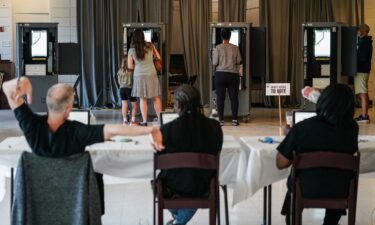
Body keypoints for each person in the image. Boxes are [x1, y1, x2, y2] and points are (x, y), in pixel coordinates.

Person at [2, 77, 164, 215]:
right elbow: (116, 130)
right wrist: (151, 129)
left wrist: (22, 81)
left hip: (40, 201)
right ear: (68, 108)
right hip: (75, 204)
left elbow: (5, 87)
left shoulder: (31, 127)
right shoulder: (79, 133)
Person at [276, 84, 358, 225]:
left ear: (322, 102)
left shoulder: (303, 128)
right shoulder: (352, 129)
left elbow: (281, 163)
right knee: (336, 177)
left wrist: (290, 137)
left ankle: (292, 219)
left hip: (307, 188)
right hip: (340, 190)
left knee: (294, 181)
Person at [158, 84, 223, 225]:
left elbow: (159, 157)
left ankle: (178, 221)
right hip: (203, 186)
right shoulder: (214, 127)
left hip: (173, 187)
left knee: (160, 182)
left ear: (179, 105)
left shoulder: (166, 130)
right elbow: (217, 149)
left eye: (174, 104)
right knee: (195, 180)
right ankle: (179, 221)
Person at [128, 29, 162, 126]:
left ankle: (145, 121)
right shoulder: (150, 46)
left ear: (133, 38)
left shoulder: (131, 50)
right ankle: (160, 120)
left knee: (143, 99)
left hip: (139, 76)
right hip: (151, 74)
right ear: (143, 37)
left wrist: (139, 66)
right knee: (156, 98)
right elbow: (158, 57)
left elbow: (130, 66)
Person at [212, 28, 242, 126]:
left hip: (220, 75)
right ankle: (234, 120)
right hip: (233, 75)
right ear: (230, 36)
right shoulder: (235, 48)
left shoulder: (217, 48)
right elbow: (238, 61)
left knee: (220, 98)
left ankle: (220, 120)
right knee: (234, 98)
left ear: (221, 36)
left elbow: (214, 62)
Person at [355, 24, 373, 123]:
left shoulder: (365, 42)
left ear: (364, 31)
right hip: (363, 70)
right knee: (363, 92)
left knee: (362, 93)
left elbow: (362, 57)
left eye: (360, 29)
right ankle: (364, 115)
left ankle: (364, 117)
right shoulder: (364, 41)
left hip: (362, 71)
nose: (358, 30)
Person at [117, 56, 138, 125]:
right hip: (130, 89)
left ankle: (125, 121)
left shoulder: (120, 70)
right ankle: (133, 121)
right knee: (134, 106)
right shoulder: (132, 69)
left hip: (122, 89)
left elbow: (119, 82)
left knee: (124, 104)